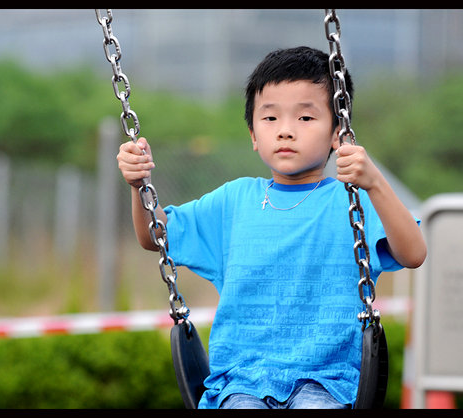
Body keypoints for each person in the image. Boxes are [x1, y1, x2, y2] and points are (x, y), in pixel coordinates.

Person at [117, 46, 426, 409]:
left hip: (327, 382)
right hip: (241, 381)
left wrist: (374, 182)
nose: (285, 131)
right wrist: (139, 186)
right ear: (253, 134)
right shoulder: (234, 201)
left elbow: (413, 253)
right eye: (270, 118)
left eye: (305, 117)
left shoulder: (351, 202)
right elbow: (156, 237)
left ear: (337, 133)